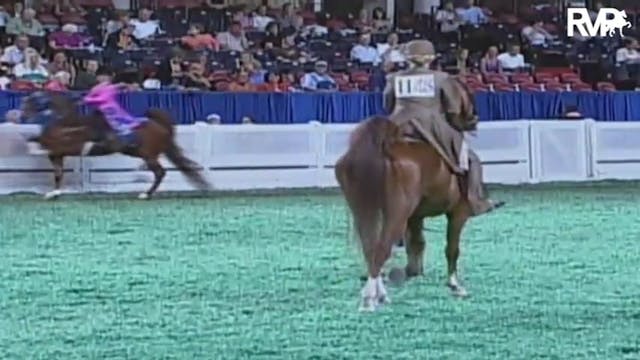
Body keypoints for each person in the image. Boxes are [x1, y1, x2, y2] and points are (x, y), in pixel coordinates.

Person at [383, 39, 503, 216]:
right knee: (470, 159)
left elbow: (387, 104)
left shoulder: (393, 78)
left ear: (407, 59)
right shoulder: (441, 78)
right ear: (430, 59)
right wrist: (462, 125)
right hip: (431, 126)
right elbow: (453, 109)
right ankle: (475, 201)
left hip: (397, 125)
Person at [82, 81, 146, 151]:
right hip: (104, 110)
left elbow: (101, 99)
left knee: (119, 124)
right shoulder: (101, 89)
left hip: (111, 110)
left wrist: (86, 99)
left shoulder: (109, 89)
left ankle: (128, 138)